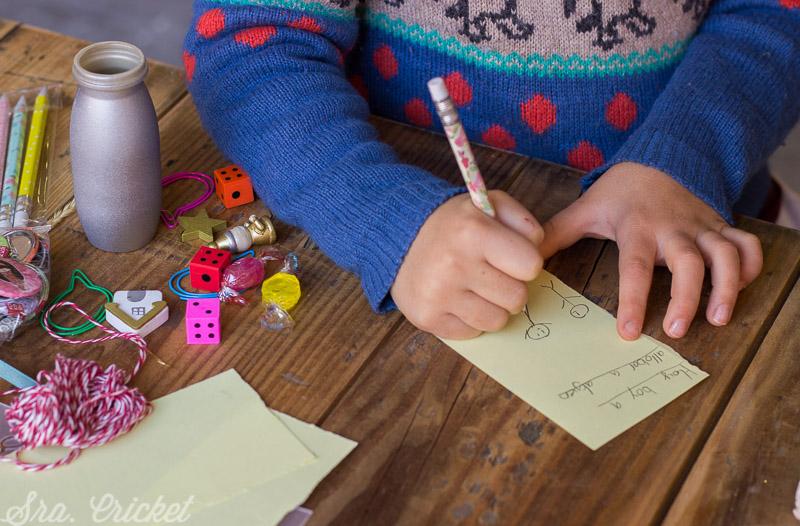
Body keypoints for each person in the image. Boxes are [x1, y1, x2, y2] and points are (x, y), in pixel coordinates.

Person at [183, 0, 800, 340]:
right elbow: (250, 40)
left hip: (703, 221)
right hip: (412, 249)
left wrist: (684, 158)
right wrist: (385, 217)